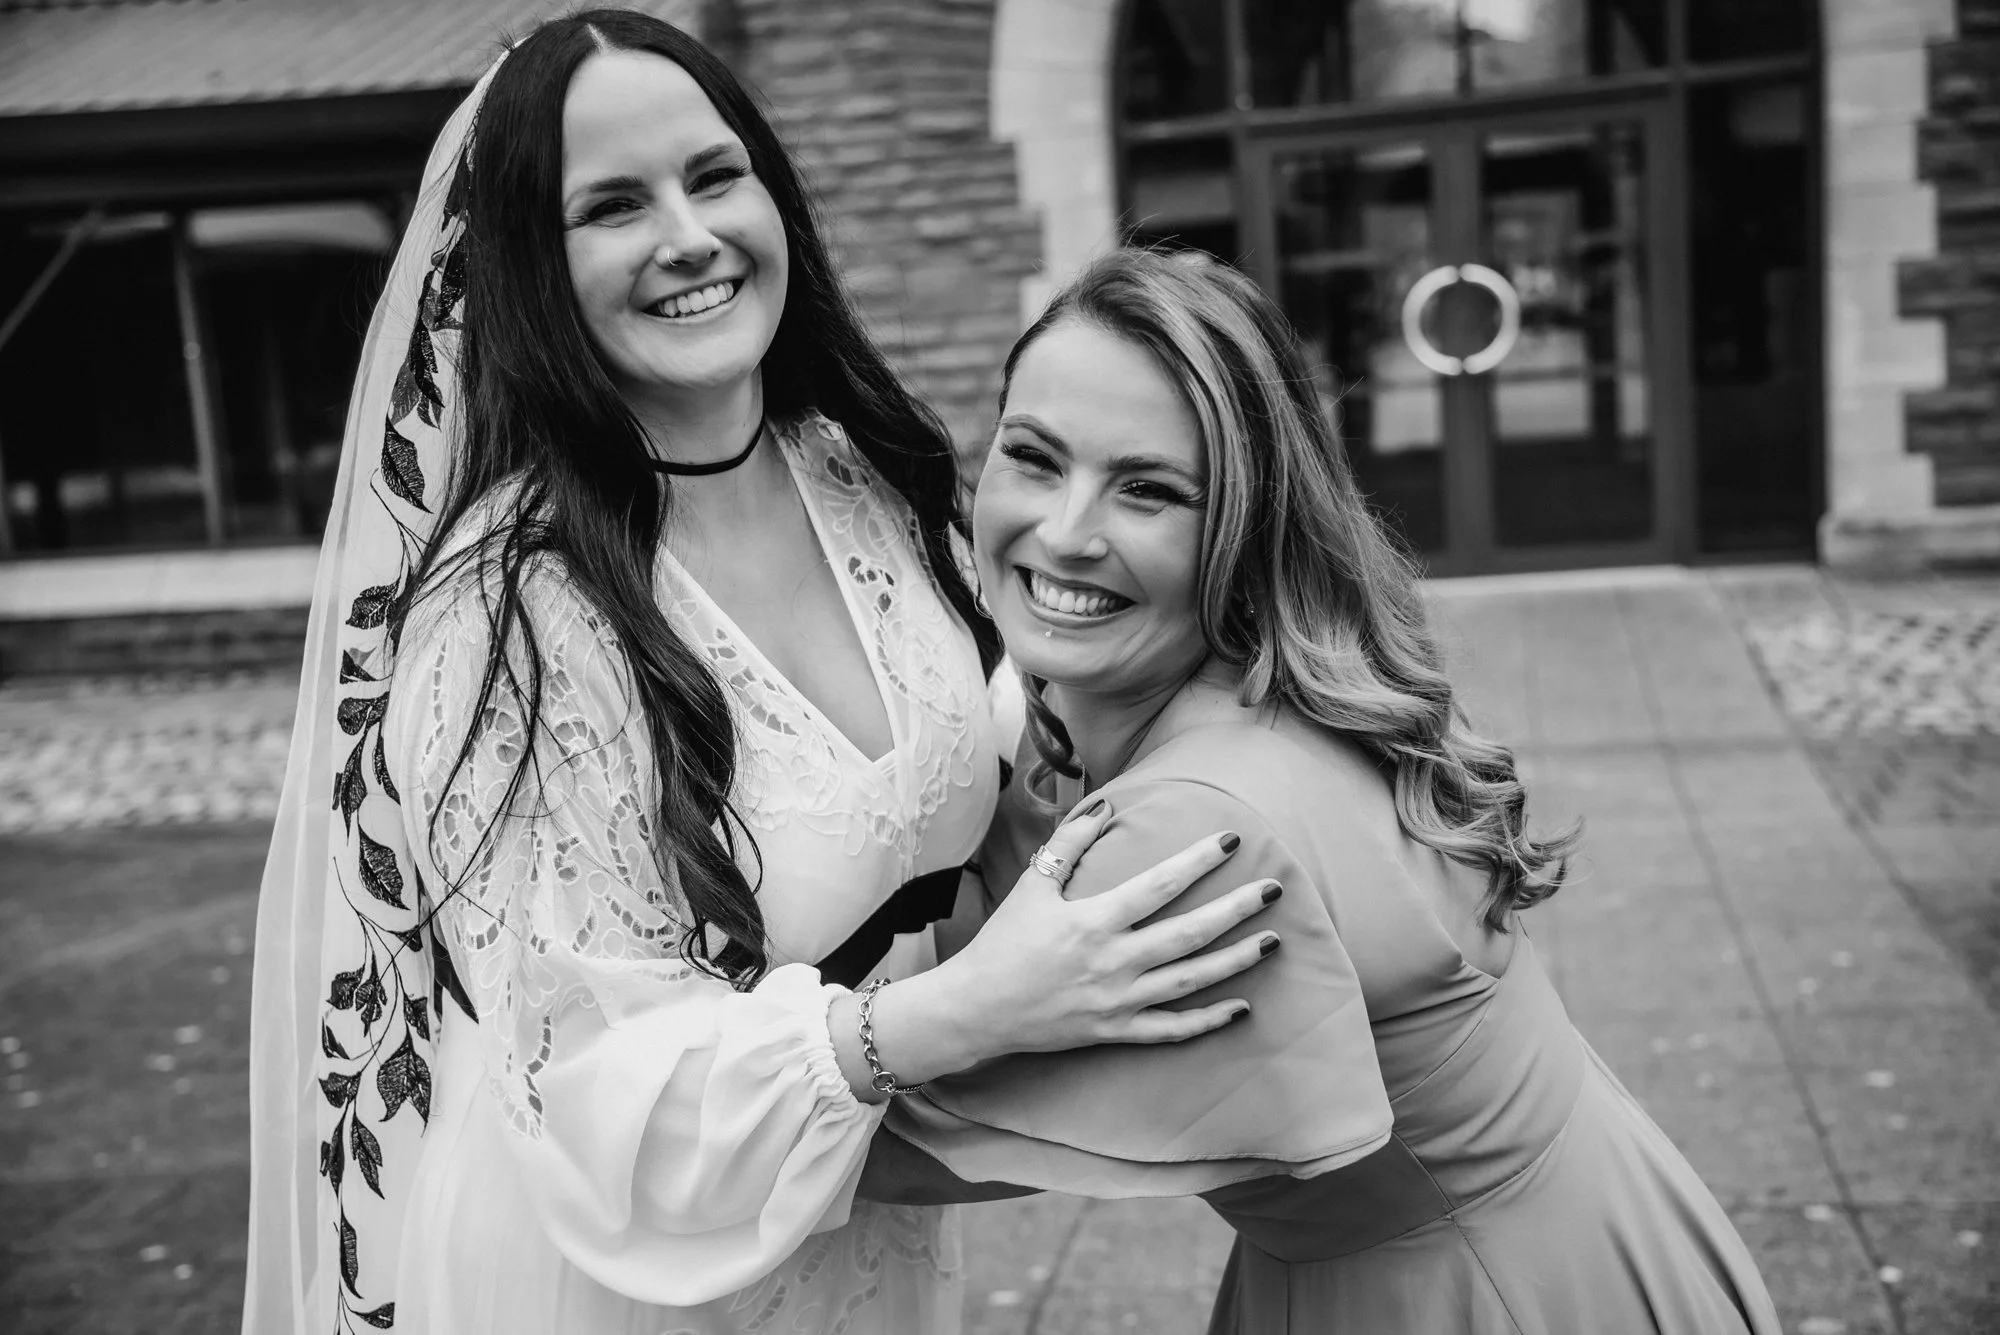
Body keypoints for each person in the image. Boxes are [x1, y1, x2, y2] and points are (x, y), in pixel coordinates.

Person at [242, 16, 1281, 1335]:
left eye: (714, 174)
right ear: (529, 268)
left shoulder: (856, 472)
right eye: (612, 205)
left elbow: (981, 739)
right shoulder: (508, 614)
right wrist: (964, 1009)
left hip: (859, 1221)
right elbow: (595, 1091)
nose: (688, 234)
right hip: (624, 1272)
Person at [877, 248, 1784, 1334]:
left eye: (1149, 489)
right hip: (1596, 1230)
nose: (1066, 531)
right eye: (1032, 458)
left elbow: (917, 1150)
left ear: (1247, 525)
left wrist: (689, 1075)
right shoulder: (1301, 683)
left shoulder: (1197, 826)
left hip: (1459, 1296)